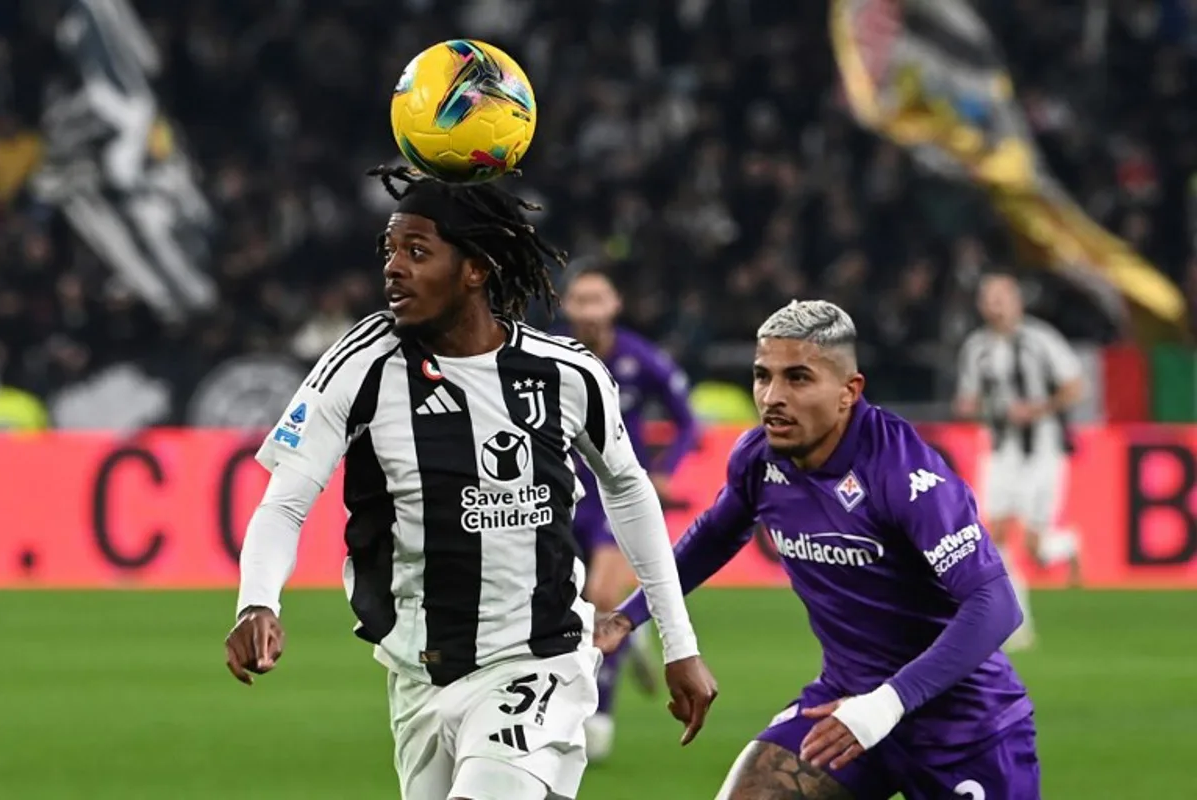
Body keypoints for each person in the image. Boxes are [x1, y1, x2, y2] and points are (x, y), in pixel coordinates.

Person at [224, 166, 717, 800]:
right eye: (390, 251)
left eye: (417, 252)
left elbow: (628, 490)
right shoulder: (361, 367)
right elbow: (286, 502)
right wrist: (257, 600)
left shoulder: (567, 374)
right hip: (418, 674)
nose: (393, 269)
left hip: (537, 661)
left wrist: (680, 643)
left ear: (475, 269)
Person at [599, 300, 1038, 799]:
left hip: (962, 724)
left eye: (798, 378)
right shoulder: (759, 459)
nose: (772, 397)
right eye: (763, 376)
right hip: (842, 708)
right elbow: (715, 537)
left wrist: (886, 704)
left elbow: (996, 605)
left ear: (849, 392)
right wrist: (629, 615)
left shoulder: (903, 473)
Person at [558, 265, 699, 762]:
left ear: (615, 305)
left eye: (598, 299)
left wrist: (664, 471)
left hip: (614, 497)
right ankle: (615, 655)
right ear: (567, 307)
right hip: (560, 496)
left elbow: (688, 423)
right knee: (567, 606)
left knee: (599, 598)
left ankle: (597, 713)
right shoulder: (549, 356)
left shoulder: (642, 360)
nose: (590, 310)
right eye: (580, 300)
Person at [954, 273, 1084, 651]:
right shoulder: (976, 347)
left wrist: (1038, 409)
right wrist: (970, 408)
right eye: (988, 297)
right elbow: (968, 399)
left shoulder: (1041, 340)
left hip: (1043, 450)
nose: (995, 304)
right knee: (991, 534)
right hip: (1000, 450)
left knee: (1033, 546)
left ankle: (1068, 544)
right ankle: (1016, 625)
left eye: (1001, 297)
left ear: (1017, 302)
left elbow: (1075, 386)